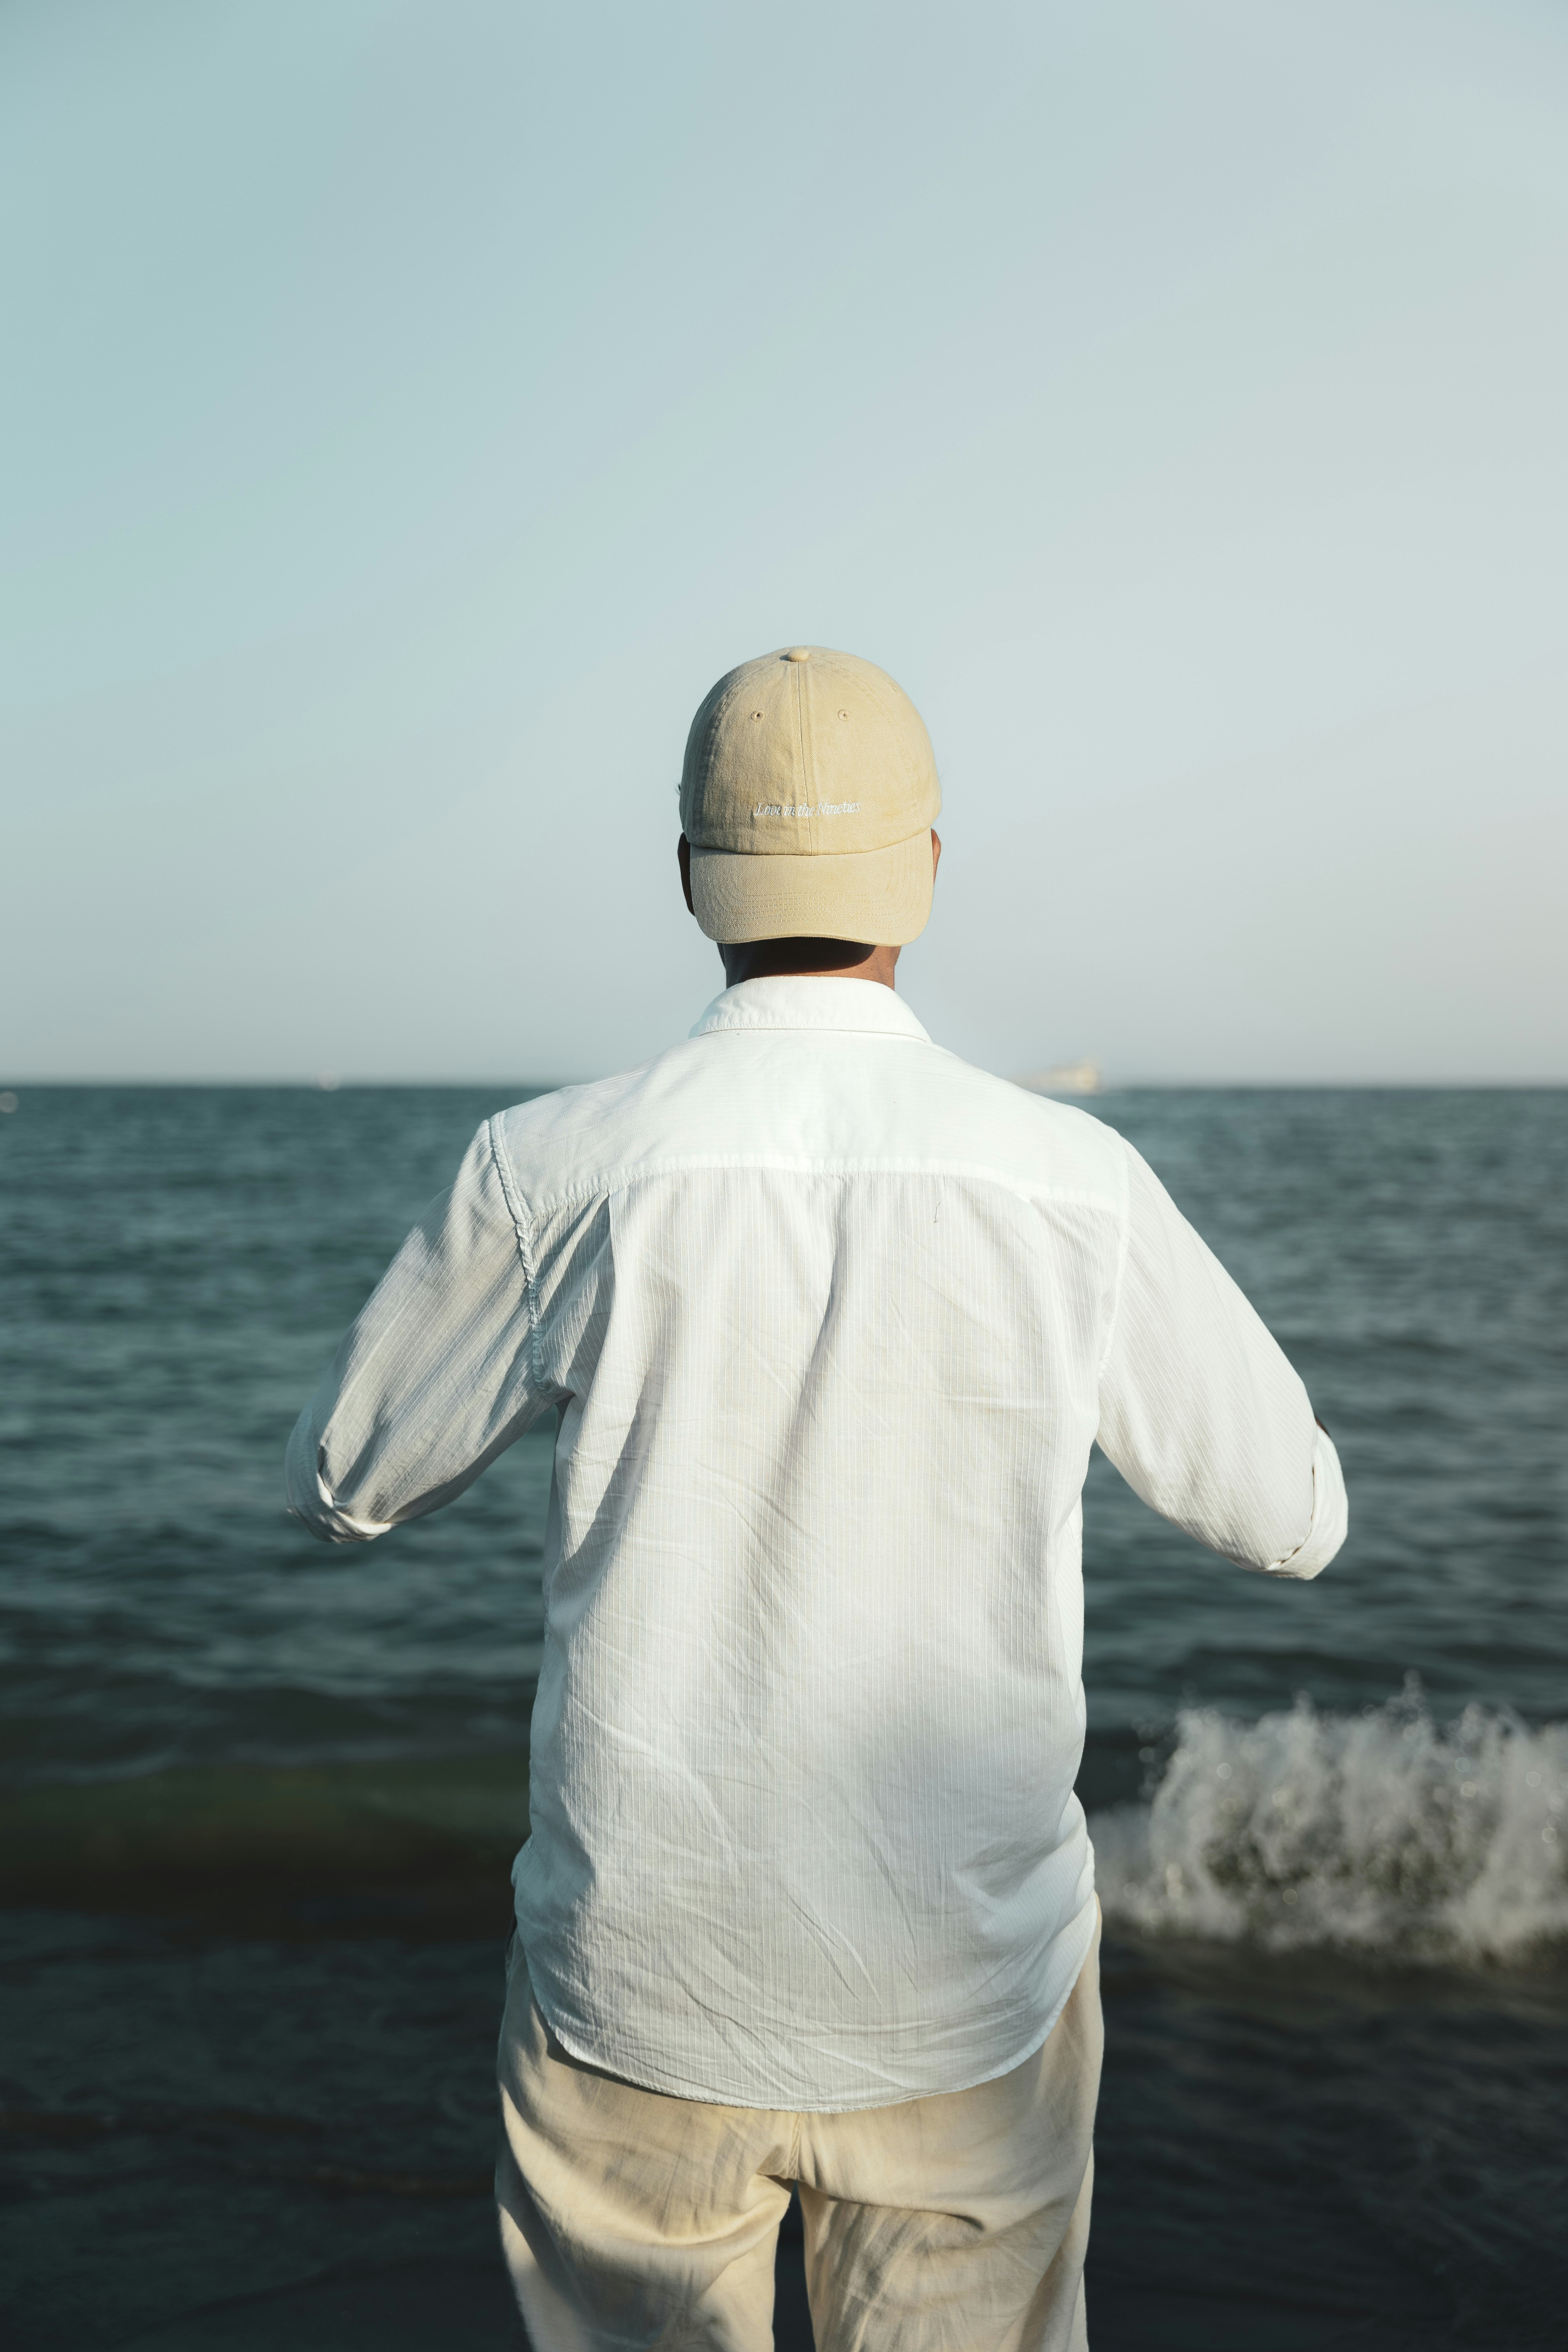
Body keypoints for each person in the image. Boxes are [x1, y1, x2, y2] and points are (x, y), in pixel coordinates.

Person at [286, 644, 1347, 2352]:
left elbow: (344, 1483)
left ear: (690, 882)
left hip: (636, 1988)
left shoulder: (551, 1167)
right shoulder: (1076, 1185)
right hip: (963, 2002)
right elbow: (1297, 1515)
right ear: (924, 872)